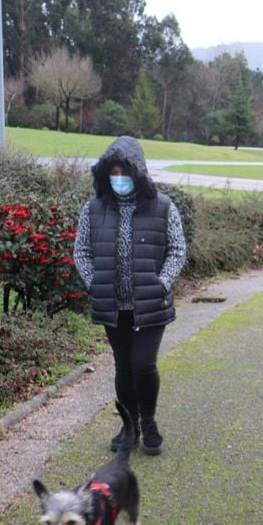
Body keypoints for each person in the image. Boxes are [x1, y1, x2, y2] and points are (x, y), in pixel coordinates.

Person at [73, 135, 187, 455]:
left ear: (139, 172)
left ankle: (148, 423)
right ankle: (129, 426)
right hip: (114, 305)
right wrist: (94, 283)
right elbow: (81, 250)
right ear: (105, 173)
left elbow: (177, 250)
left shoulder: (163, 206)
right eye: (114, 172)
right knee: (123, 367)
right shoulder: (93, 209)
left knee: (143, 365)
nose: (119, 179)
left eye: (125, 172)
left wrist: (163, 282)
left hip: (150, 304)